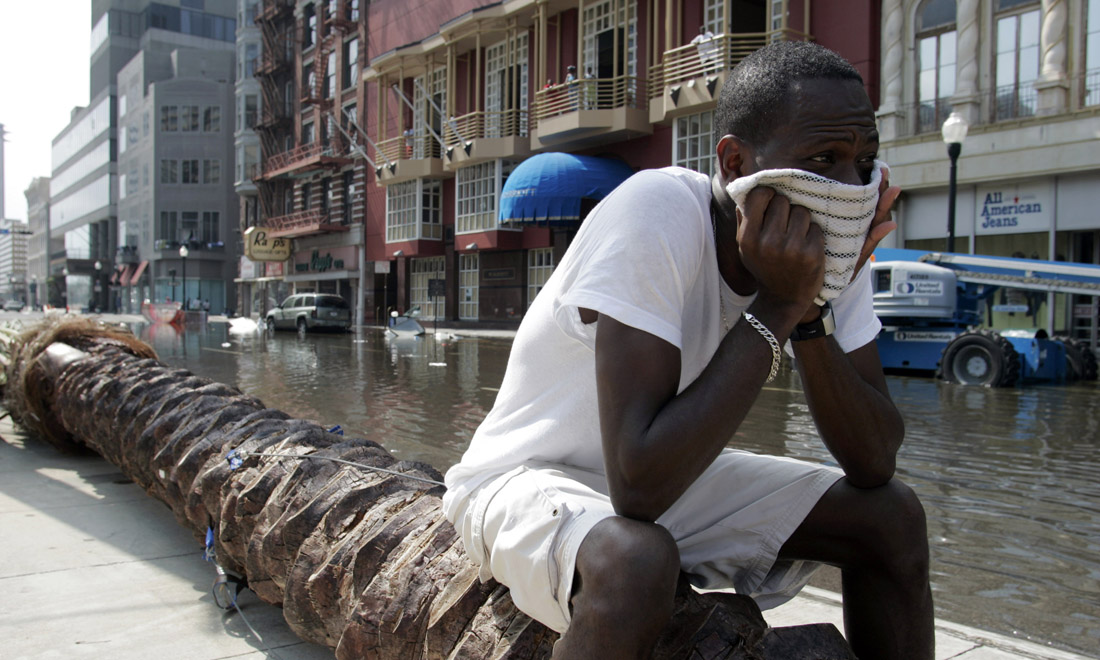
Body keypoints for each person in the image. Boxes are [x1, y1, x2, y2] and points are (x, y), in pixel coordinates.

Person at [443, 40, 932, 660]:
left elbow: (875, 461)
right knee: (635, 561)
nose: (850, 186)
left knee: (891, 517)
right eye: (823, 158)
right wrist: (779, 305)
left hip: (666, 478)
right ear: (734, 162)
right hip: (525, 475)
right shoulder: (657, 209)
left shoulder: (826, 237)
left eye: (864, 161)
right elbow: (638, 487)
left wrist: (810, 312)